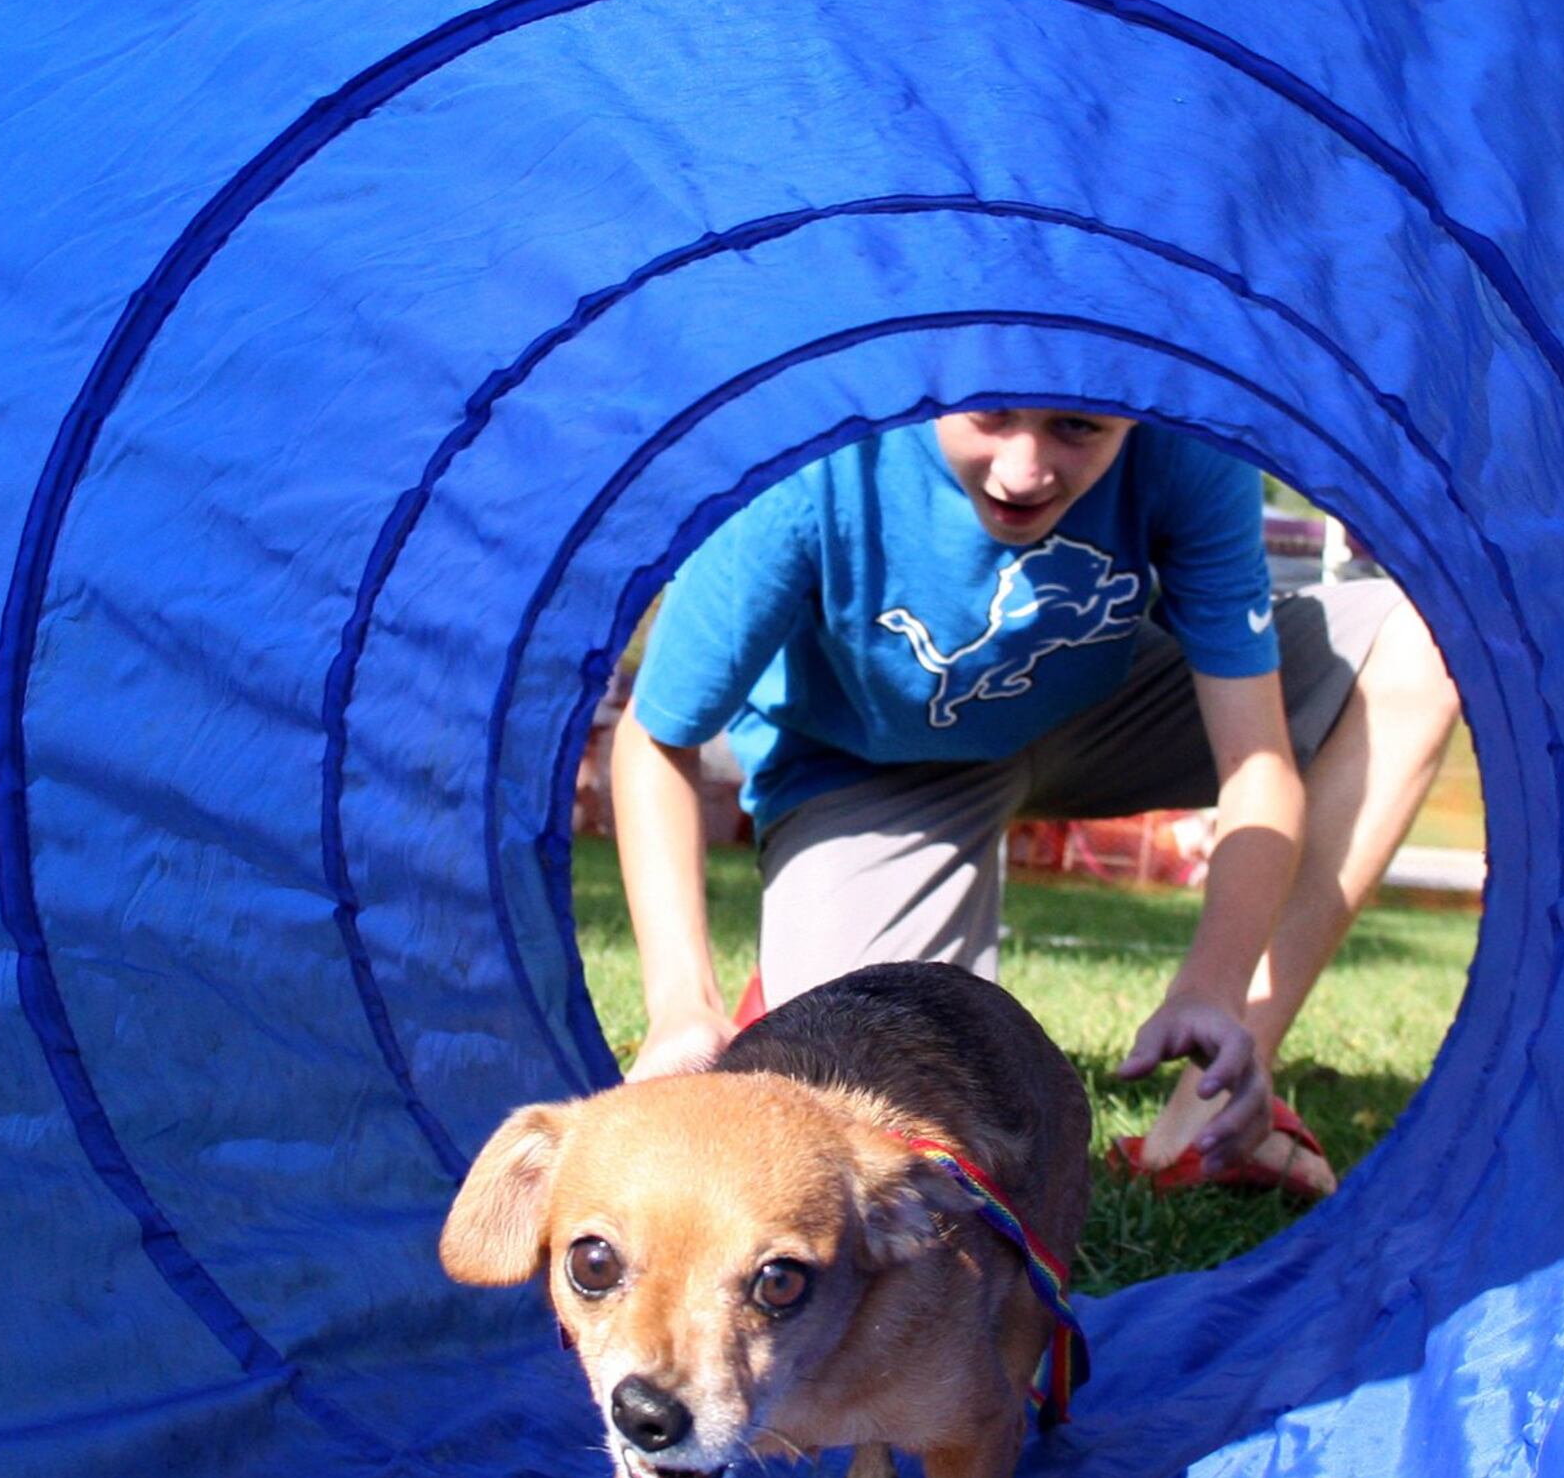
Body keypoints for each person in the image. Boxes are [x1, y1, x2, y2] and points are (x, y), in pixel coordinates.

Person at [610, 405, 1460, 1197]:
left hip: (1106, 703)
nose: (1024, 470)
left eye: (1077, 430)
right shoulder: (815, 453)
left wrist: (1216, 986)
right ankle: (810, 957)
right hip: (880, 766)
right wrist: (682, 1003)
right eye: (990, 417)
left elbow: (1257, 760)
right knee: (881, 1134)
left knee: (1418, 641)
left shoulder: (1186, 443)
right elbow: (657, 740)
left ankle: (1222, 1098)